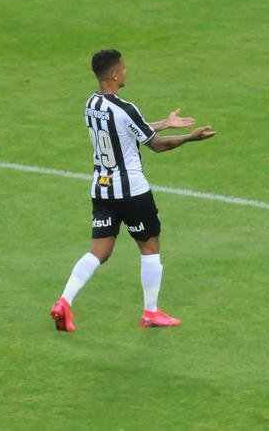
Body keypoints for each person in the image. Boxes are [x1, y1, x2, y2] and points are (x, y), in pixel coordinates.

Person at [49, 49, 216, 332]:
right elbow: (156, 145)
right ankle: (150, 312)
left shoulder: (91, 104)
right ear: (114, 74)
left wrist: (164, 122)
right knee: (150, 245)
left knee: (99, 251)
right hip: (132, 191)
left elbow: (127, 129)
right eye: (123, 68)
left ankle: (64, 302)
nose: (126, 72)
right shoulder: (126, 108)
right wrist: (190, 137)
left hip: (101, 189)